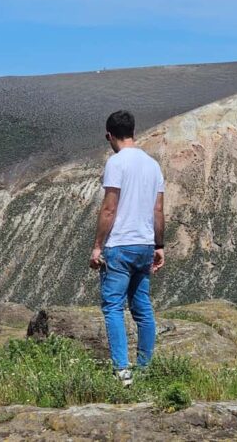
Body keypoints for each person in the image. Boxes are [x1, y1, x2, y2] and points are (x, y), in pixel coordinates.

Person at [89, 110, 165, 387]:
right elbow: (158, 210)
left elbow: (109, 208)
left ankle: (122, 372)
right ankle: (145, 369)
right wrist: (159, 245)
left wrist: (98, 246)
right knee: (142, 308)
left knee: (112, 307)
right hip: (145, 244)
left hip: (120, 245)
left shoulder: (116, 163)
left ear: (110, 135)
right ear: (134, 131)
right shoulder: (152, 165)